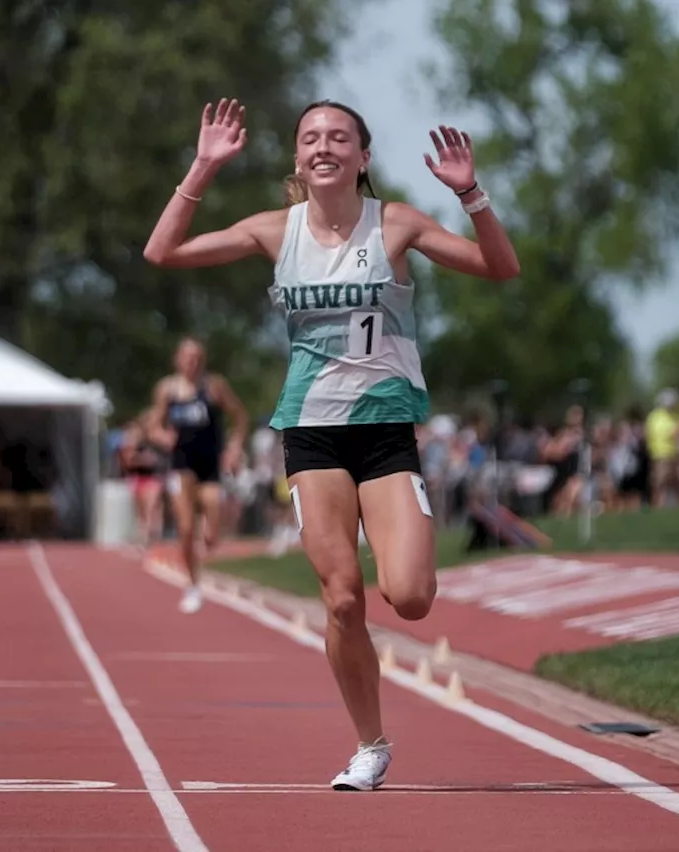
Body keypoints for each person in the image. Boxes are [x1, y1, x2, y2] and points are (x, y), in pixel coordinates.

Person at [143, 97, 520, 790]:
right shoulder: (272, 231)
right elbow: (161, 251)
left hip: (385, 436)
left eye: (339, 137)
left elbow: (499, 267)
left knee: (407, 596)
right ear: (297, 158)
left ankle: (407, 566)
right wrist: (201, 167)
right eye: (311, 137)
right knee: (342, 599)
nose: (324, 146)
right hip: (310, 434)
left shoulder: (396, 224)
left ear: (362, 157)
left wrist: (471, 192)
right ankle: (370, 745)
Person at [147, 337, 249, 614]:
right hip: (181, 465)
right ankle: (192, 586)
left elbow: (240, 417)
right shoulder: (167, 389)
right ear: (177, 360)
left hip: (210, 466)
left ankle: (209, 538)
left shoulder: (214, 386)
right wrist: (161, 436)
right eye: (186, 357)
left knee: (213, 531)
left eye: (196, 358)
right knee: (185, 529)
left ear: (202, 361)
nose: (191, 363)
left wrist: (235, 447)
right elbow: (153, 425)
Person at [116, 416, 165, 550]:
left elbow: (155, 460)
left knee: (150, 508)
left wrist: (141, 460)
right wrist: (136, 459)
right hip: (137, 478)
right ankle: (144, 534)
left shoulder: (153, 443)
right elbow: (127, 463)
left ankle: (147, 537)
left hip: (152, 479)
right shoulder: (129, 447)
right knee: (141, 511)